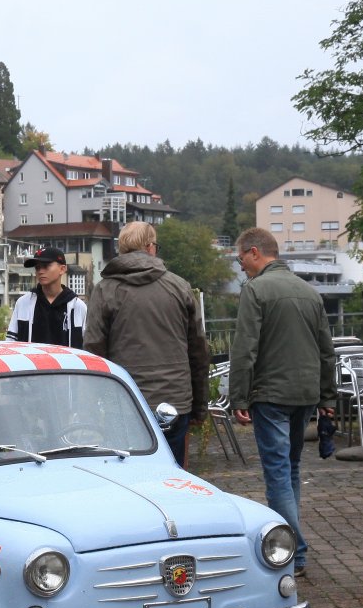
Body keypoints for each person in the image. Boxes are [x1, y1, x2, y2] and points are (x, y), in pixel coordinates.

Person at [228, 227, 336, 578]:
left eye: (241, 258)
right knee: (290, 469)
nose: (240, 265)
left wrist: (238, 396)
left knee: (277, 472)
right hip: (305, 394)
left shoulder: (256, 290)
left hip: (270, 394)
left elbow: (245, 348)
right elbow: (326, 350)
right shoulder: (310, 292)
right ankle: (293, 548)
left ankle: (293, 553)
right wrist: (327, 396)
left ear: (255, 252)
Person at [82, 221, 209, 468]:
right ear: (151, 247)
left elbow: (94, 351)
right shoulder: (179, 287)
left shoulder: (105, 290)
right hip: (174, 400)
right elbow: (198, 350)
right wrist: (199, 407)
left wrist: (96, 406)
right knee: (172, 475)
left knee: (130, 474)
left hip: (124, 402)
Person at [7, 246, 86, 347]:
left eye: (46, 266)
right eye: (37, 267)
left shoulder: (78, 307)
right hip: (31, 357)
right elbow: (10, 343)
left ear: (62, 269)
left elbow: (87, 347)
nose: (40, 271)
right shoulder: (23, 303)